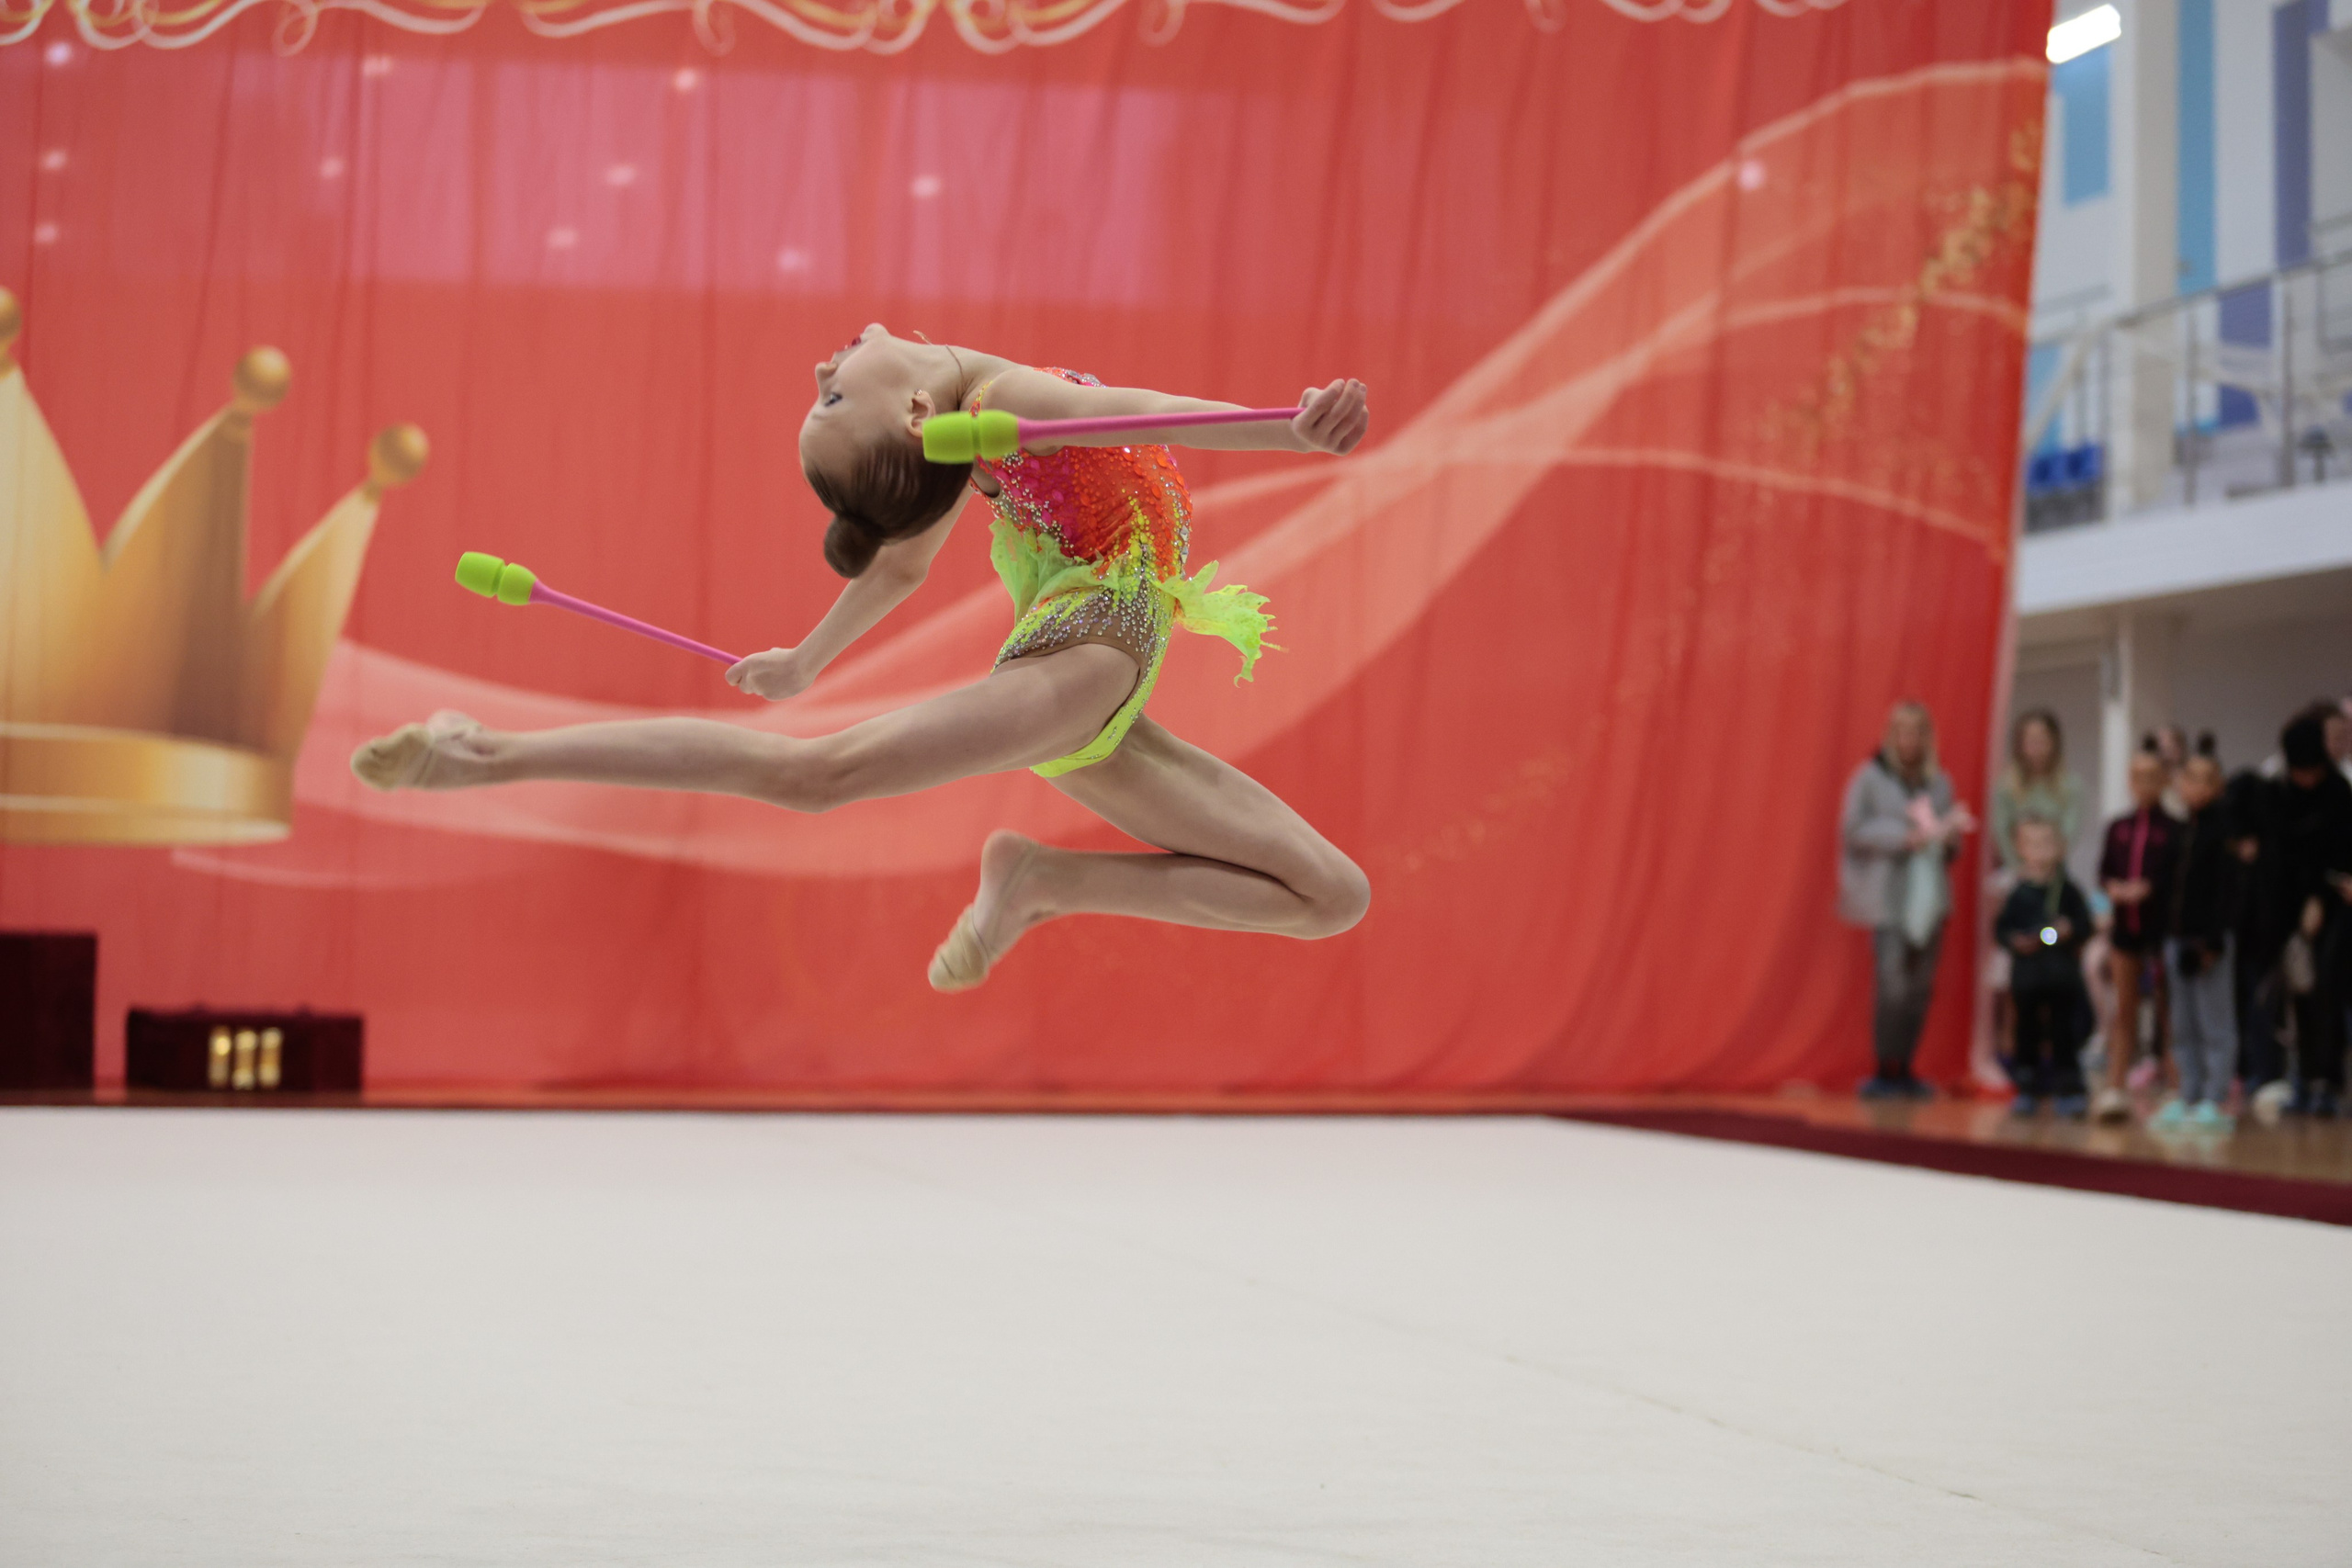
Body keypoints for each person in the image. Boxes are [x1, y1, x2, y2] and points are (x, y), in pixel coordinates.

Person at [352, 325, 1374, 990]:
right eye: (833, 404)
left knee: (1330, 896)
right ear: (918, 420)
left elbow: (894, 570)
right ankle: (483, 753)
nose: (821, 375)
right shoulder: (1009, 401)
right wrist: (1292, 434)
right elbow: (1151, 411)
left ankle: (1045, 881)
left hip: (1110, 689)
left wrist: (804, 660)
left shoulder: (969, 430)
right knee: (815, 775)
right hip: (1087, 651)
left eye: (823, 398)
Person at [1839, 700, 1974, 1100]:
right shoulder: (1870, 778)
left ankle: (1908, 1068)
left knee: (1920, 986)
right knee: (1892, 983)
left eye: (1918, 731)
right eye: (1903, 731)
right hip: (1890, 897)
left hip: (1930, 898)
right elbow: (1853, 830)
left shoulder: (1939, 783)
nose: (1910, 739)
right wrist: (1903, 837)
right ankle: (1886, 1066)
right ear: (1892, 735)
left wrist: (1947, 840)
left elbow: (1952, 846)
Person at [2151, 739, 2239, 1131]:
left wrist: (2213, 942)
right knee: (2182, 1022)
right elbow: (2168, 890)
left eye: (2206, 780)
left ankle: (2215, 1095)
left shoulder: (2224, 835)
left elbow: (2228, 892)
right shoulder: (2177, 832)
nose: (2197, 787)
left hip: (2210, 943)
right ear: (2178, 784)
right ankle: (2187, 1090)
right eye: (2190, 779)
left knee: (2214, 1020)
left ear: (2218, 786)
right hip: (2176, 940)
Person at [2092, 747, 2181, 1122]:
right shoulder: (2118, 827)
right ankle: (2115, 1086)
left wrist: (2149, 889)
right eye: (2137, 776)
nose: (2143, 784)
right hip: (2124, 929)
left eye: (2151, 776)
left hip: (2159, 928)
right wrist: (2115, 889)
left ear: (2163, 781)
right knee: (2123, 1008)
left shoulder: (2174, 828)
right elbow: (2105, 870)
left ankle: (2177, 1087)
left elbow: (2174, 876)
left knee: (2167, 1010)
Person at [2273, 713, 2352, 1116]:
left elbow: (2340, 854)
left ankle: (2329, 1081)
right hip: (2291, 909)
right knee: (2297, 994)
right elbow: (2282, 856)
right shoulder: (2281, 794)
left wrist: (2321, 896)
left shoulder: (2339, 793)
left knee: (2327, 992)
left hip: (2335, 907)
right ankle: (2302, 1079)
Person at [1995, 817, 2093, 1116]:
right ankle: (2027, 1086)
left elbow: (2083, 926)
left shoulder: (2068, 890)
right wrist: (2016, 941)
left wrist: (2062, 932)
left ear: (2061, 848)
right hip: (2027, 979)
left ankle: (2068, 1087)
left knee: (2064, 1033)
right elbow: (2002, 931)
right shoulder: (2019, 892)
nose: (2041, 850)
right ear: (2021, 849)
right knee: (2027, 1033)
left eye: (2047, 843)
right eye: (2033, 844)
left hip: (2062, 979)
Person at [1990, 710, 2083, 874]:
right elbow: (2001, 831)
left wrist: (2048, 861)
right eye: (2030, 741)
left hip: (2054, 872)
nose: (2036, 747)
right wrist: (2018, 868)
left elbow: (2070, 832)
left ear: (2054, 742)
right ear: (2020, 745)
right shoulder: (2007, 786)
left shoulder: (2070, 786)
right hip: (2018, 873)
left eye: (2042, 740)